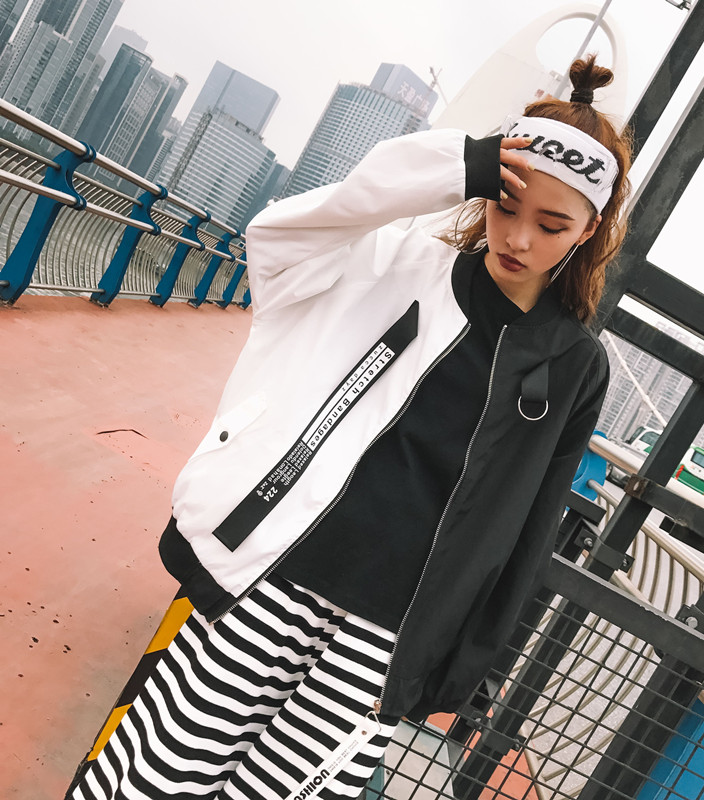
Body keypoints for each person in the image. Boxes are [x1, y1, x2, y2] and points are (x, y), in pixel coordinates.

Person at [67, 55, 632, 800]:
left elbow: (526, 526)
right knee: (168, 766)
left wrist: (461, 662)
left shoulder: (576, 365)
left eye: (552, 225)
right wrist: (454, 165)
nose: (519, 239)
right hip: (281, 569)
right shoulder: (400, 266)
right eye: (505, 207)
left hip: (387, 634)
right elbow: (278, 241)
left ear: (591, 229)